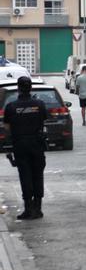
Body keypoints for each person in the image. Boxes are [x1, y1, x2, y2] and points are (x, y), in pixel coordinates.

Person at [3, 77, 47, 220]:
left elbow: (7, 127)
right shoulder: (39, 104)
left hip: (20, 144)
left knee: (25, 176)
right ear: (31, 88)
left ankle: (28, 209)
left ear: (18, 88)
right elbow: (44, 120)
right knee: (38, 175)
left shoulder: (11, 107)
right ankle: (38, 208)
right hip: (37, 144)